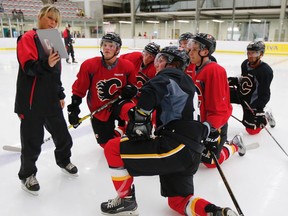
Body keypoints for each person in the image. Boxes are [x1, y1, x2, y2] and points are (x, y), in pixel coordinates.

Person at [100, 46, 238, 216]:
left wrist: (140, 116)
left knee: (113, 148)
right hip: (192, 151)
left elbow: (153, 90)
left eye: (160, 59)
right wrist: (137, 93)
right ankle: (215, 212)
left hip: (175, 146)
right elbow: (169, 103)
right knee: (178, 201)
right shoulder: (188, 83)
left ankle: (125, 200)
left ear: (171, 63)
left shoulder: (170, 75)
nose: (156, 64)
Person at [14, 4, 78, 196]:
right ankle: (27, 175)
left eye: (56, 21)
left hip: (51, 101)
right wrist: (46, 63)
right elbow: (28, 67)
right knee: (32, 143)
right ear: (41, 16)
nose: (53, 23)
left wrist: (60, 94)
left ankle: (63, 160)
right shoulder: (27, 38)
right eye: (50, 18)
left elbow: (55, 74)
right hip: (31, 103)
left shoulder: (54, 40)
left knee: (63, 137)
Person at [67, 32, 138, 148]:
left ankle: (136, 137)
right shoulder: (89, 65)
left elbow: (134, 87)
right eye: (104, 45)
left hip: (119, 103)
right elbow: (79, 90)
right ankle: (119, 134)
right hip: (99, 109)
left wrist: (131, 90)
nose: (107, 48)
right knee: (106, 144)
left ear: (117, 49)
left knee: (134, 114)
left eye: (111, 46)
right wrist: (74, 109)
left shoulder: (127, 66)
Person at [186, 33, 246, 168]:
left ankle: (234, 145)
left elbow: (220, 106)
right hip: (200, 123)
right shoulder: (193, 68)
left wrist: (212, 127)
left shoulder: (214, 70)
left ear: (205, 51)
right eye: (190, 48)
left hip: (213, 125)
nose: (190, 52)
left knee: (210, 162)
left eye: (194, 49)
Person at [228, 41, 275, 135]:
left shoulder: (266, 71)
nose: (250, 55)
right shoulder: (245, 64)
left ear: (261, 54)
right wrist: (234, 81)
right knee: (218, 94)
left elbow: (265, 94)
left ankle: (266, 114)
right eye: (249, 52)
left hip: (252, 102)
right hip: (241, 94)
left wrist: (258, 108)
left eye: (254, 53)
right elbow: (245, 80)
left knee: (252, 130)